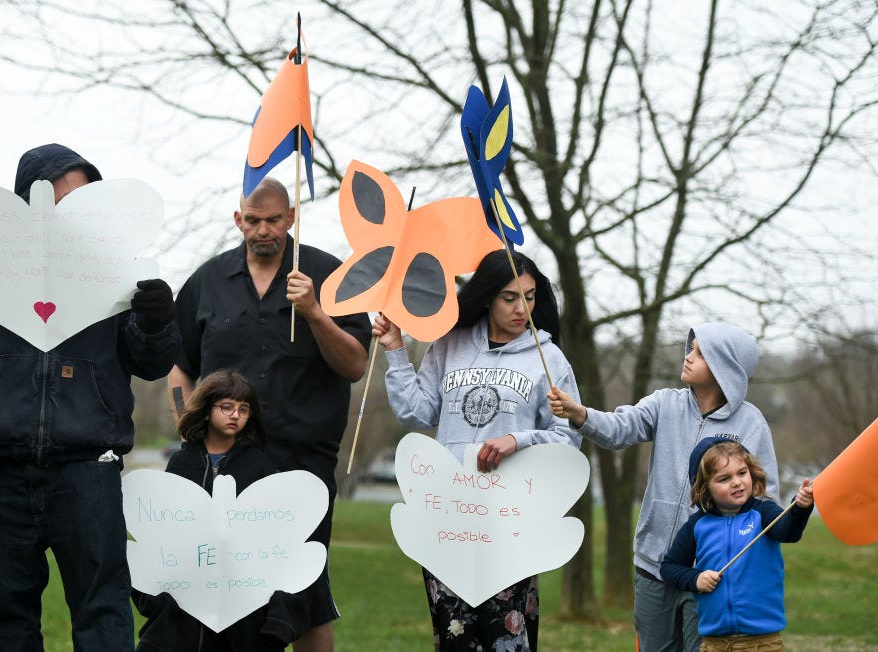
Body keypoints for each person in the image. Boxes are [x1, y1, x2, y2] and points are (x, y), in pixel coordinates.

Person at [0, 143, 181, 651]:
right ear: (29, 200)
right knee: (4, 622)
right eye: (62, 198)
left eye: (86, 200)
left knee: (103, 614)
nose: (73, 212)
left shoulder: (116, 270)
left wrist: (156, 321)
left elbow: (150, 363)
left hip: (89, 468)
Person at [169, 177, 371, 652]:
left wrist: (316, 312)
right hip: (225, 461)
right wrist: (189, 433)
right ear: (238, 219)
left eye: (274, 220)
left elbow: (356, 364)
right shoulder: (207, 280)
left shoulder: (330, 274)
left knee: (303, 585)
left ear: (291, 217)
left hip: (302, 459)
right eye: (253, 220)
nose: (264, 230)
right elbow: (180, 366)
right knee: (225, 582)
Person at [373, 249, 581, 651]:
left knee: (506, 637)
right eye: (510, 297)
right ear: (486, 296)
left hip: (511, 520)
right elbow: (418, 413)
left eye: (531, 296)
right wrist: (395, 350)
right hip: (449, 516)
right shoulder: (449, 345)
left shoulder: (547, 357)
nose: (523, 308)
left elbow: (568, 436)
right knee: (454, 636)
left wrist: (517, 440)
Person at [547, 322, 779, 652]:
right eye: (691, 348)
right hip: (653, 566)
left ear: (723, 368)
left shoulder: (751, 423)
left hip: (709, 574)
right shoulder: (664, 403)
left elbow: (765, 498)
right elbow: (618, 429)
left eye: (699, 353)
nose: (688, 357)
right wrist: (580, 414)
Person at [135, 369, 292, 651]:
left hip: (243, 605)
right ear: (207, 410)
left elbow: (276, 542)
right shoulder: (181, 464)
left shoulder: (259, 466)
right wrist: (157, 600)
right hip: (184, 604)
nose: (236, 415)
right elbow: (163, 533)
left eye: (244, 409)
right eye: (227, 407)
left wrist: (276, 621)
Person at [660, 437, 813, 651]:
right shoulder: (698, 525)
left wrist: (800, 509)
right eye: (724, 478)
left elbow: (788, 531)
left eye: (742, 473)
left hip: (763, 643)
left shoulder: (763, 512)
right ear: (705, 487)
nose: (737, 482)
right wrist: (696, 579)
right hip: (714, 644)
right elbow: (669, 567)